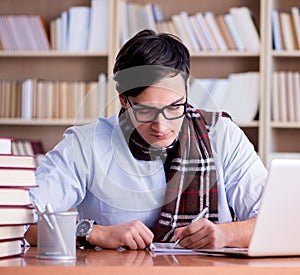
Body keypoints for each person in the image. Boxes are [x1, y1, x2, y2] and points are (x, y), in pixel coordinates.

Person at [25, 29, 267, 250]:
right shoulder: (84, 144)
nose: (162, 126)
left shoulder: (223, 135)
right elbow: (19, 224)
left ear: (186, 92)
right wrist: (93, 233)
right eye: (145, 110)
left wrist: (227, 234)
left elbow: (281, 220)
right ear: (123, 100)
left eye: (175, 107)